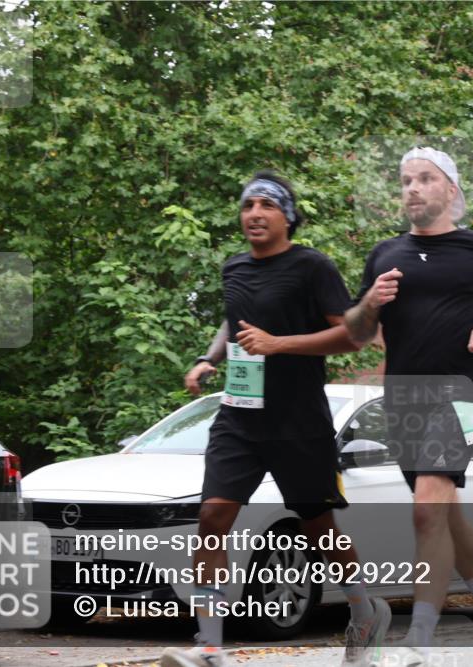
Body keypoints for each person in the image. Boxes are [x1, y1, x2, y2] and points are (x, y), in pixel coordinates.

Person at [162, 171, 390, 667]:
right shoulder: (234, 267)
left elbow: (353, 337)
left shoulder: (312, 267)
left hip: (299, 421)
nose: (254, 214)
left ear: (286, 216)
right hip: (240, 418)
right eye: (247, 206)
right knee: (212, 517)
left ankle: (364, 610)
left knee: (319, 529)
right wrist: (209, 359)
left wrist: (278, 344)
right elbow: (234, 319)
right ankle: (209, 646)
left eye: (266, 205)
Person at [344, 148, 473, 667]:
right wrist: (369, 304)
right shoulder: (384, 255)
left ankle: (419, 640)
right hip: (405, 396)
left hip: (463, 393)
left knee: (428, 506)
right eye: (406, 180)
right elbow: (358, 335)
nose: (412, 188)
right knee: (443, 514)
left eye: (425, 179)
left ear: (450, 189)